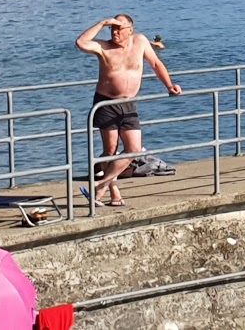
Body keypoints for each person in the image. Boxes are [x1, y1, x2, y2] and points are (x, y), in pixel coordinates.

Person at [76, 14, 182, 207]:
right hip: (106, 104)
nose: (115, 32)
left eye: (119, 28)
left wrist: (169, 85)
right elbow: (81, 42)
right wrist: (102, 23)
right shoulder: (103, 47)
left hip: (129, 105)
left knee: (133, 149)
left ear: (130, 30)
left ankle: (100, 186)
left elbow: (156, 64)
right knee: (110, 150)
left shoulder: (140, 41)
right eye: (112, 28)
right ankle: (113, 192)